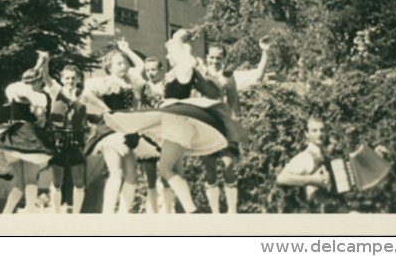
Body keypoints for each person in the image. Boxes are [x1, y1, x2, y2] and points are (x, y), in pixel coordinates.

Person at [102, 30, 248, 213]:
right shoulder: (173, 74)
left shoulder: (183, 71)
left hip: (178, 124)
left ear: (180, 54)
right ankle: (189, 211)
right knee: (176, 171)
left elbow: (186, 58)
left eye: (171, 52)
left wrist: (178, 38)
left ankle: (192, 211)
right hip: (174, 123)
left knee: (165, 169)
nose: (168, 55)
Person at [199, 37, 271, 214]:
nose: (215, 61)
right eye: (212, 57)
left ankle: (232, 212)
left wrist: (265, 52)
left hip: (226, 128)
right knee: (209, 171)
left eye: (218, 58)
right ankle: (215, 213)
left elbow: (258, 75)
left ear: (223, 59)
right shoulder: (199, 74)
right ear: (207, 57)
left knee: (228, 167)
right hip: (206, 128)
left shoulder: (230, 76)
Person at [80, 39, 148, 214]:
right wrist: (106, 109)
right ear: (110, 67)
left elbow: (140, 65)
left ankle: (123, 216)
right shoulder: (107, 82)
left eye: (124, 63)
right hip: (111, 130)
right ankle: (108, 215)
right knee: (116, 174)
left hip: (128, 130)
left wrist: (127, 49)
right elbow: (87, 94)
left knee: (132, 177)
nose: (123, 66)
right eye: (119, 64)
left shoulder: (129, 80)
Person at [0, 52, 54, 214]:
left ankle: (6, 214)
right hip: (27, 138)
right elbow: (39, 114)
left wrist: (38, 64)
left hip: (12, 139)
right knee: (30, 180)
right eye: (39, 82)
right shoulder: (38, 96)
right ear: (39, 82)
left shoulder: (16, 90)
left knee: (20, 183)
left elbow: (25, 86)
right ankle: (30, 213)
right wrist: (39, 65)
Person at [41, 59, 87, 214]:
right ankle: (56, 214)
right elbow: (45, 76)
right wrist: (44, 61)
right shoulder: (56, 91)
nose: (70, 81)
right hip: (58, 138)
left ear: (78, 79)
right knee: (57, 181)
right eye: (67, 78)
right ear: (62, 79)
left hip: (76, 138)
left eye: (73, 78)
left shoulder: (83, 95)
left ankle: (76, 215)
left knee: (79, 181)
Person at [137, 57, 168, 214]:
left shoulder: (167, 86)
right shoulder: (143, 87)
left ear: (161, 70)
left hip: (164, 133)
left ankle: (168, 211)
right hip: (148, 134)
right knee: (150, 177)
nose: (150, 73)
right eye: (147, 70)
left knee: (166, 174)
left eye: (153, 69)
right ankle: (153, 211)